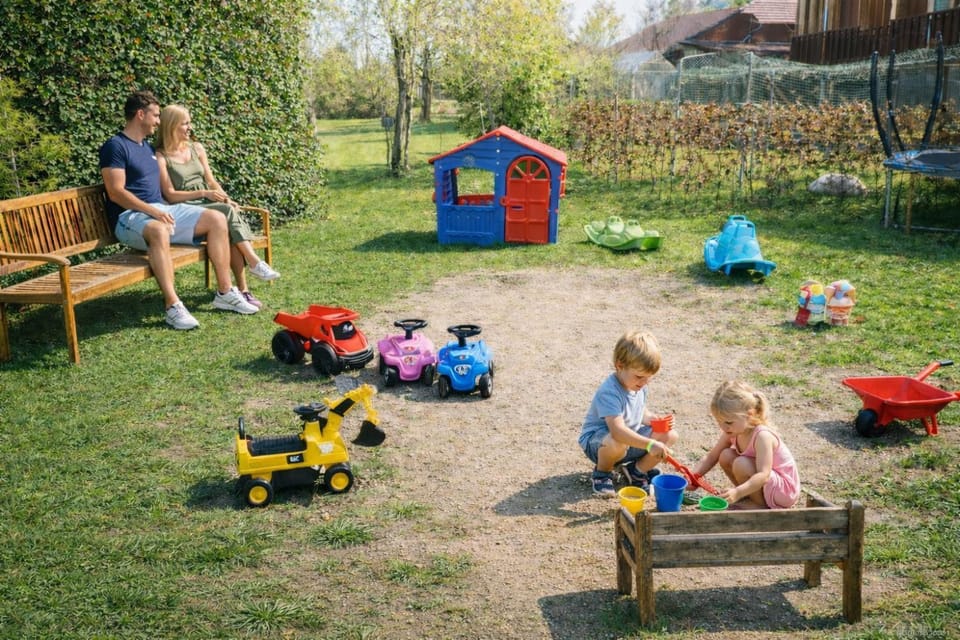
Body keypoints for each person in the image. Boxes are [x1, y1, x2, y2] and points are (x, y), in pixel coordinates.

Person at [99, 90, 258, 329]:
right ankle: (173, 306)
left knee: (216, 219)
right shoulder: (115, 146)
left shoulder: (148, 149)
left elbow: (169, 184)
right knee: (160, 231)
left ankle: (225, 293)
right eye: (155, 115)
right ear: (140, 115)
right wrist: (153, 212)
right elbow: (116, 192)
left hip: (159, 211)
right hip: (129, 217)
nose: (158, 121)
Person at [155, 104, 279, 309]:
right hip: (187, 208)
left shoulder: (196, 148)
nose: (189, 128)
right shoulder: (161, 156)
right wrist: (204, 193)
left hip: (209, 202)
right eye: (185, 123)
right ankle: (252, 268)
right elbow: (170, 194)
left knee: (229, 215)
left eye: (189, 122)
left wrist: (225, 198)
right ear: (171, 126)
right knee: (227, 214)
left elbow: (211, 181)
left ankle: (243, 289)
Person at [579, 330, 679, 498]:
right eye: (640, 376)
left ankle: (637, 471)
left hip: (627, 442)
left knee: (670, 435)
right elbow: (618, 431)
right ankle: (602, 473)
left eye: (649, 378)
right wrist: (649, 444)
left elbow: (639, 412)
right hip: (600, 444)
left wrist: (654, 421)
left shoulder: (638, 385)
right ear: (620, 365)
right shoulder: (609, 392)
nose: (644, 382)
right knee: (615, 441)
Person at [692, 380, 800, 509]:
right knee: (725, 455)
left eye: (728, 422)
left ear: (749, 415)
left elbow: (763, 475)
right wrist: (694, 476)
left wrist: (737, 492)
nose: (723, 427)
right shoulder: (733, 431)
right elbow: (711, 457)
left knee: (741, 463)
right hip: (767, 485)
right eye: (719, 421)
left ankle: (759, 505)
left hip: (784, 491)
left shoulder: (762, 436)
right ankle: (749, 496)